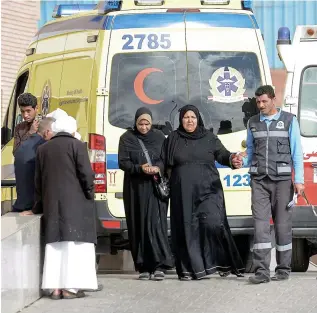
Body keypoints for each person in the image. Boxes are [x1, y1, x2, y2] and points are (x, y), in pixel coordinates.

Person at [161, 104, 244, 281]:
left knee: (213, 222)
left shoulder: (209, 137)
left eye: (193, 117)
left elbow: (222, 154)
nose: (189, 121)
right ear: (181, 119)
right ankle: (190, 270)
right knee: (187, 230)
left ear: (198, 119)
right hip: (182, 193)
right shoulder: (173, 139)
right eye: (186, 117)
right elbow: (164, 163)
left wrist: (232, 159)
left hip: (209, 189)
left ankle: (220, 262)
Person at [22, 115, 97, 299]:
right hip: (76, 205)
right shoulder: (77, 146)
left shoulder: (42, 149)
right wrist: (89, 194)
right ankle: (70, 288)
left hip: (52, 205)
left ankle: (54, 288)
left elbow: (38, 182)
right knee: (74, 246)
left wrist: (37, 207)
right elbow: (87, 175)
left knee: (55, 247)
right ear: (71, 130)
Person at [242, 85, 304, 284]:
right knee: (260, 227)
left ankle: (283, 269)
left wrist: (299, 180)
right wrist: (239, 161)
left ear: (273, 99)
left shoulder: (289, 121)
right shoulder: (252, 123)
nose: (260, 105)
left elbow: (297, 153)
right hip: (259, 181)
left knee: (282, 226)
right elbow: (250, 153)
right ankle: (262, 271)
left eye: (264, 101)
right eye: (258, 102)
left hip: (283, 182)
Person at [118, 107, 174, 281]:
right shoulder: (127, 138)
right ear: (135, 123)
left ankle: (159, 266)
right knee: (138, 225)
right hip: (135, 189)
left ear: (151, 122)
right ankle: (142, 266)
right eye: (140, 123)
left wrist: (157, 167)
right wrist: (139, 168)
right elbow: (123, 162)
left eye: (146, 123)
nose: (143, 127)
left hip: (154, 188)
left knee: (156, 226)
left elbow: (165, 158)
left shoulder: (158, 137)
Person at [13, 117, 55, 212]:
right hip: (35, 208)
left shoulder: (21, 147)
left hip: (21, 205)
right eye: (54, 133)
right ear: (47, 132)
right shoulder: (44, 148)